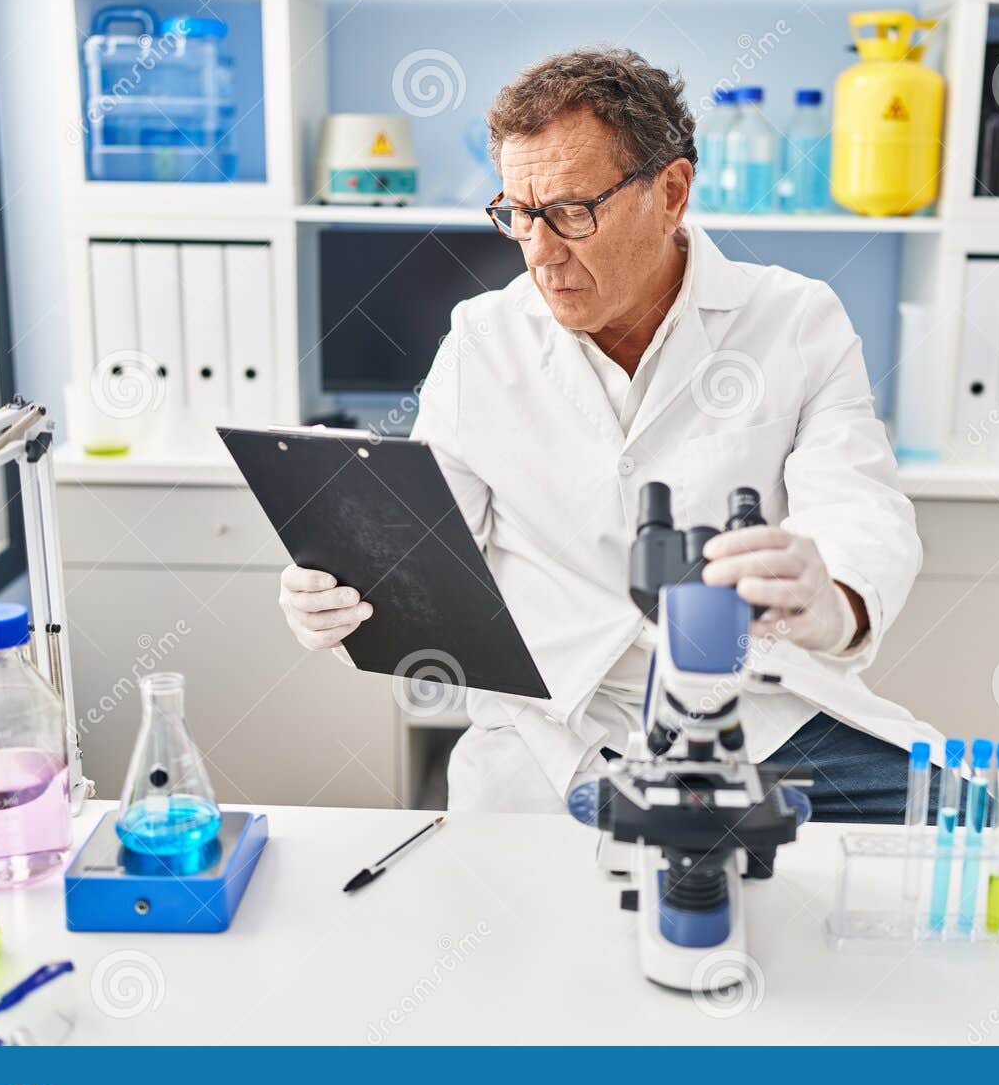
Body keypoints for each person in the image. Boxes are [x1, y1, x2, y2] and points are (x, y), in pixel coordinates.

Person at [281, 47, 940, 821]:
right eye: (519, 214)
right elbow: (425, 553)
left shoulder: (794, 320)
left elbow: (861, 505)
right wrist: (339, 598)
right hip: (559, 723)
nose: (539, 252)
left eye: (570, 211)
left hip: (756, 710)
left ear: (671, 192)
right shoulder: (483, 340)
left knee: (975, 830)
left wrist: (836, 600)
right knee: (590, 885)